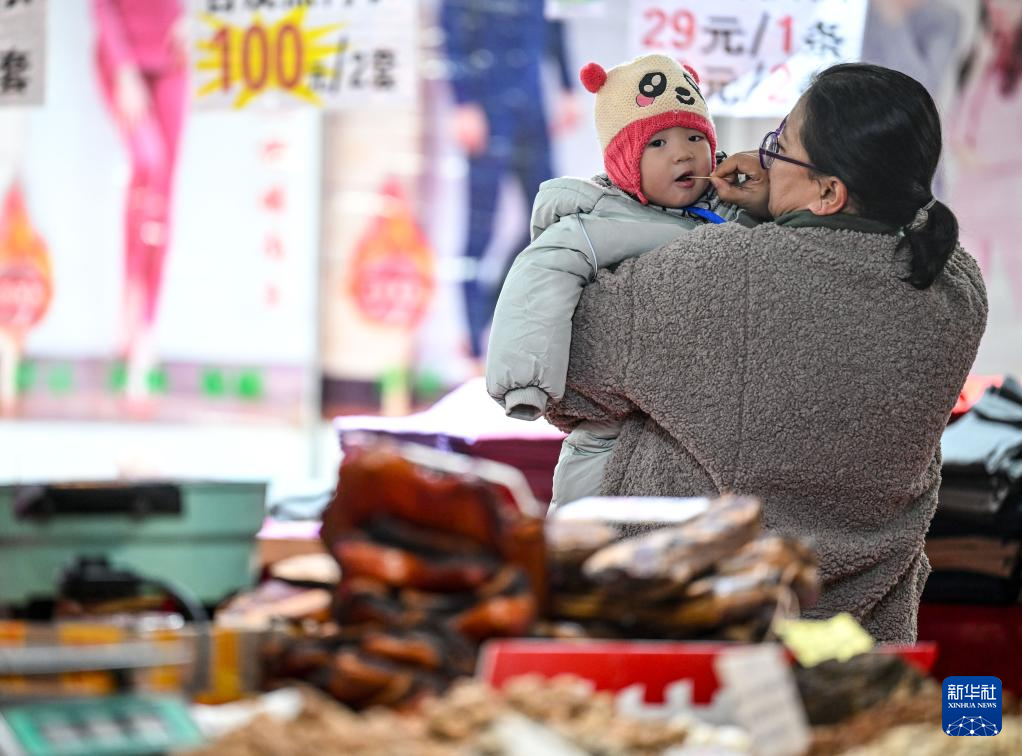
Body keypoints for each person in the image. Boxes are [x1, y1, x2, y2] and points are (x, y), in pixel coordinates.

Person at [544, 63, 988, 643]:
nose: (761, 158)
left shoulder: (725, 273)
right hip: (865, 635)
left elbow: (561, 373)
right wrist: (777, 205)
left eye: (780, 147)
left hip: (702, 629)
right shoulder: (955, 284)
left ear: (830, 191)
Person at [486, 54, 748, 509]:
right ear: (624, 161)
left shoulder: (733, 210)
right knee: (591, 523)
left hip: (707, 422)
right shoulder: (597, 222)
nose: (682, 153)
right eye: (658, 143)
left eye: (693, 137)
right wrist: (526, 379)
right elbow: (538, 277)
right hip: (611, 428)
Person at [439, 0, 579, 360]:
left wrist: (566, 88)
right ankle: (472, 344)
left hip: (531, 105)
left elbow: (553, 23)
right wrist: (462, 103)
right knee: (479, 230)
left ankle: (492, 311)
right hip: (487, 106)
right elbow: (451, 31)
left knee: (549, 218)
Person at [91, 0, 188, 401]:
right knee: (146, 165)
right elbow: (100, 7)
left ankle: (146, 327)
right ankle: (129, 303)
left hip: (172, 60)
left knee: (164, 195)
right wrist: (123, 69)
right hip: (124, 64)